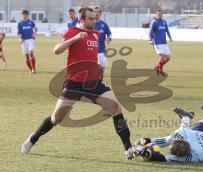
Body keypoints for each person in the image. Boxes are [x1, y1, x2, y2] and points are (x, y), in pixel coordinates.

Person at [20, 7, 132, 159]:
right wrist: (75, 38)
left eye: (95, 17)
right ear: (82, 19)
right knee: (56, 119)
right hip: (74, 83)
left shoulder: (96, 33)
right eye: (91, 18)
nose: (95, 20)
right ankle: (33, 138)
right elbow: (56, 50)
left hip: (94, 83)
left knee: (116, 108)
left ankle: (129, 149)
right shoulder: (72, 31)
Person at [128, 103, 203, 162]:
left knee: (192, 124)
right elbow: (164, 144)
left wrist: (145, 152)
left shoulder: (191, 158)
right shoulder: (181, 134)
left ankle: (187, 116)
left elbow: (161, 156)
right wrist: (144, 143)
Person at [149, 9, 172, 76]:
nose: (160, 15)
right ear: (156, 15)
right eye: (158, 14)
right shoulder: (154, 22)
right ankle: (160, 71)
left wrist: (170, 37)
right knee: (163, 57)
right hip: (157, 43)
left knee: (168, 58)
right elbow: (150, 32)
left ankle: (157, 67)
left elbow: (167, 30)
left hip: (164, 43)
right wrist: (150, 40)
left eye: (161, 14)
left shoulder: (164, 22)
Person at [94, 7, 112, 79]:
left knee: (102, 67)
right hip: (92, 50)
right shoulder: (89, 24)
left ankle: (100, 80)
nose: (96, 13)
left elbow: (110, 33)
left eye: (98, 12)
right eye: (95, 11)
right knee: (94, 67)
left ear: (100, 13)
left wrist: (109, 39)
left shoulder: (104, 24)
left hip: (101, 50)